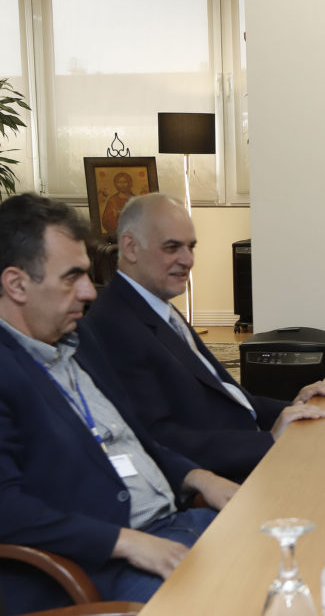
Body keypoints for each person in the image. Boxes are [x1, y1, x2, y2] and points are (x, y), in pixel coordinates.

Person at [0, 194, 239, 613]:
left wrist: (199, 477)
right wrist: (125, 543)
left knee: (300, 554)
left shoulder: (79, 340)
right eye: (72, 278)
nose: (88, 291)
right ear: (16, 285)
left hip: (175, 525)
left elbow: (139, 437)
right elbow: (7, 508)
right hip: (97, 569)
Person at [84, 194, 325, 483]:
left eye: (190, 247)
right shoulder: (115, 323)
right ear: (131, 247)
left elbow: (229, 398)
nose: (188, 260)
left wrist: (294, 406)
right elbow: (159, 439)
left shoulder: (156, 305)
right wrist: (269, 441)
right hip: (229, 475)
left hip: (249, 449)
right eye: (172, 247)